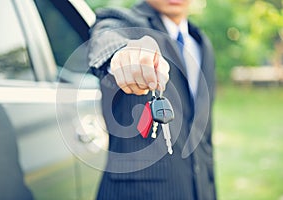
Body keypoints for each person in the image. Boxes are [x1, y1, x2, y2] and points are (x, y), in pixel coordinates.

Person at [88, 0, 216, 199]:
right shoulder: (122, 21)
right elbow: (107, 39)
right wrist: (124, 56)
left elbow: (203, 134)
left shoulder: (202, 43)